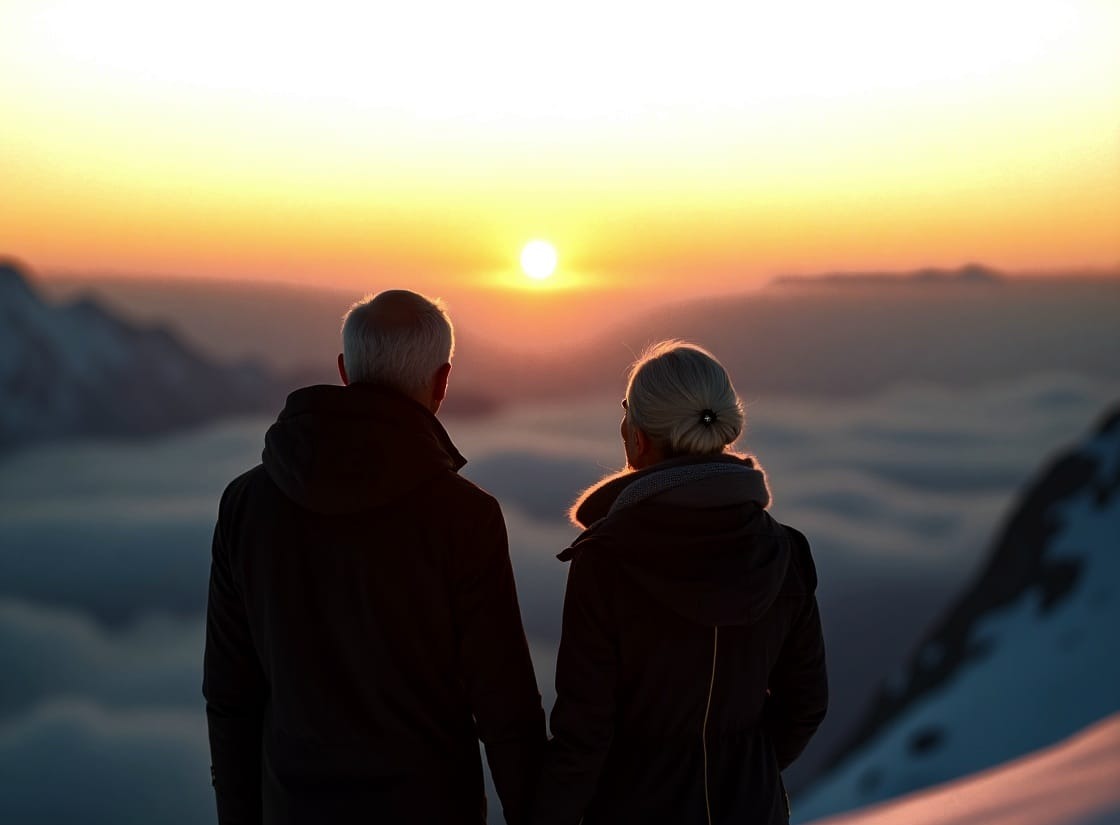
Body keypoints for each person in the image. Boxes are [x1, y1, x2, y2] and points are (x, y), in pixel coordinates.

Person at [203, 290, 545, 825]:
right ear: (442, 382)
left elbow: (230, 696)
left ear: (344, 370)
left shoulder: (246, 504)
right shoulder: (465, 517)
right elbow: (505, 705)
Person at [532, 340, 828, 825]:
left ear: (639, 438)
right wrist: (745, 770)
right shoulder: (785, 551)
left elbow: (584, 732)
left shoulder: (605, 560)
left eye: (626, 412)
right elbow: (806, 704)